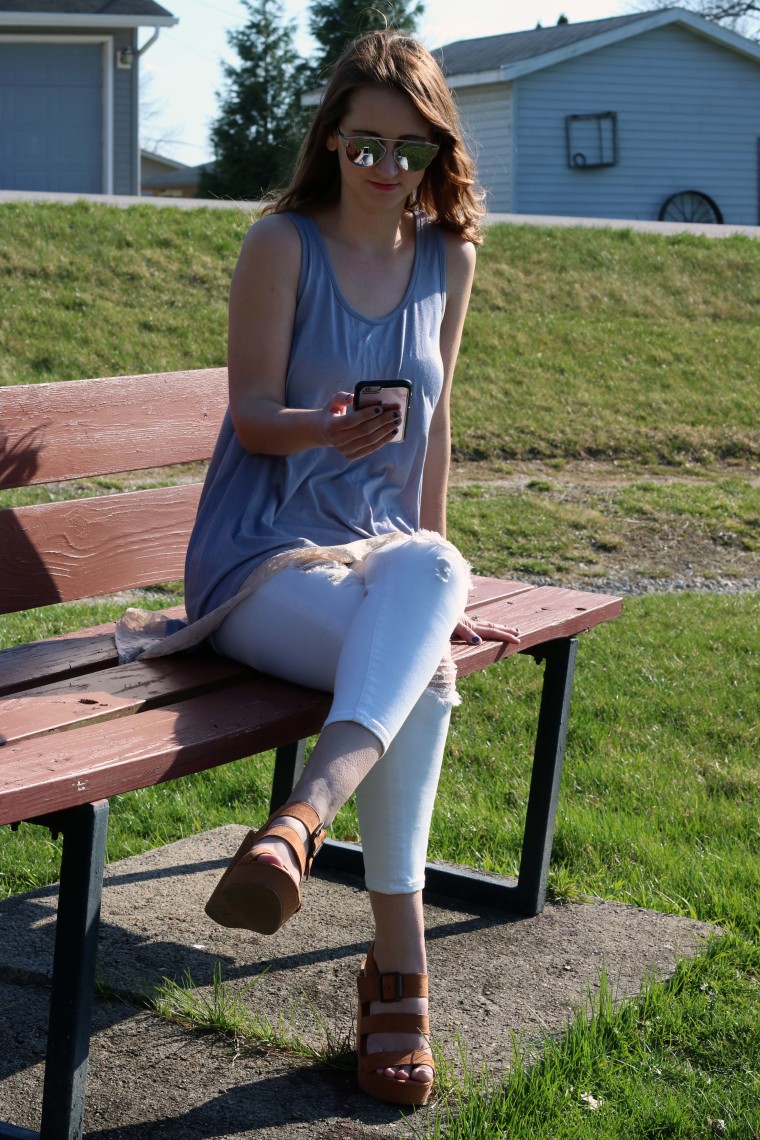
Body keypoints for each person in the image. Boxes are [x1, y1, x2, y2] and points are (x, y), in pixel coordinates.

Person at [186, 30, 520, 1107]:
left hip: (384, 563)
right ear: (331, 139)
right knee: (419, 671)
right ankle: (399, 971)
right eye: (365, 145)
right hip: (264, 560)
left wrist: (439, 587)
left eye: (409, 152)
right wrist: (323, 430)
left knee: (430, 587)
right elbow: (247, 416)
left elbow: (441, 419)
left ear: (436, 156)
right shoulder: (282, 244)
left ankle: (298, 827)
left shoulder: (448, 258)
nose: (385, 170)